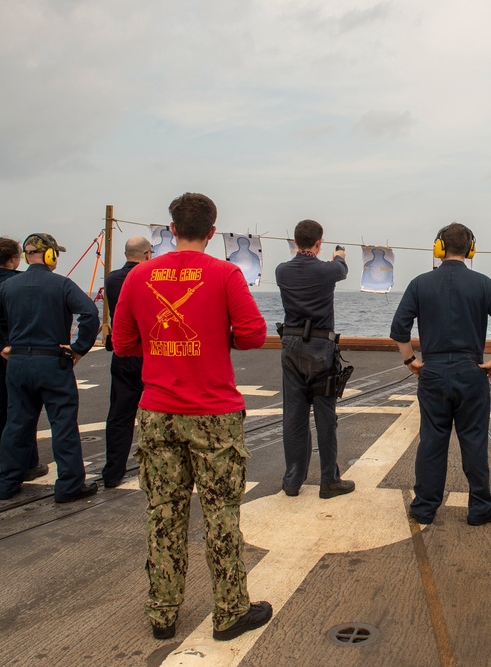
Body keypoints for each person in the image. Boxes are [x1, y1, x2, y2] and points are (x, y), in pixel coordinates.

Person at [111, 193, 273, 641]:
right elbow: (254, 335)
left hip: (158, 410)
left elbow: (122, 343)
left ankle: (162, 613)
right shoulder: (225, 273)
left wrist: (163, 348)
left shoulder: (140, 275)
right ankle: (230, 611)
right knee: (221, 511)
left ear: (172, 228)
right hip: (213, 413)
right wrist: (216, 337)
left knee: (163, 512)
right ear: (213, 230)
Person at [390, 223, 491, 526]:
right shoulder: (485, 284)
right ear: (470, 249)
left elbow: (399, 330)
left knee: (432, 440)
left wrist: (411, 360)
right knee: (474, 440)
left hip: (432, 371)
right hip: (471, 372)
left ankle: (424, 508)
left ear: (439, 248)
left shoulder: (419, 283)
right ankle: (480, 508)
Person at [0, 233, 100, 502]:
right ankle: (69, 486)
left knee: (17, 424)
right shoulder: (62, 285)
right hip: (52, 363)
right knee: (63, 424)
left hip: (18, 363)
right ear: (50, 255)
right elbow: (90, 313)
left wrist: (0, 346)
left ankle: (6, 484)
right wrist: (79, 348)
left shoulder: (9, 286)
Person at [275, 219, 354, 499]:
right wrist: (339, 255)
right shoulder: (327, 270)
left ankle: (293, 480)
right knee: (325, 416)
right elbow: (341, 269)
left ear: (295, 242)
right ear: (319, 243)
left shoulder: (281, 271)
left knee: (294, 416)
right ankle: (329, 480)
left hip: (291, 347)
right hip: (321, 349)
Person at [0, 238, 47, 482]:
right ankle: (28, 463)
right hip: (15, 348)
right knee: (22, 406)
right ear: (15, 258)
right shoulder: (16, 282)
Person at [101, 236, 153, 487]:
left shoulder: (112, 279)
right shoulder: (149, 277)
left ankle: (112, 471)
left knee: (119, 414)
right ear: (147, 254)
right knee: (157, 411)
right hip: (149, 353)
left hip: (122, 354)